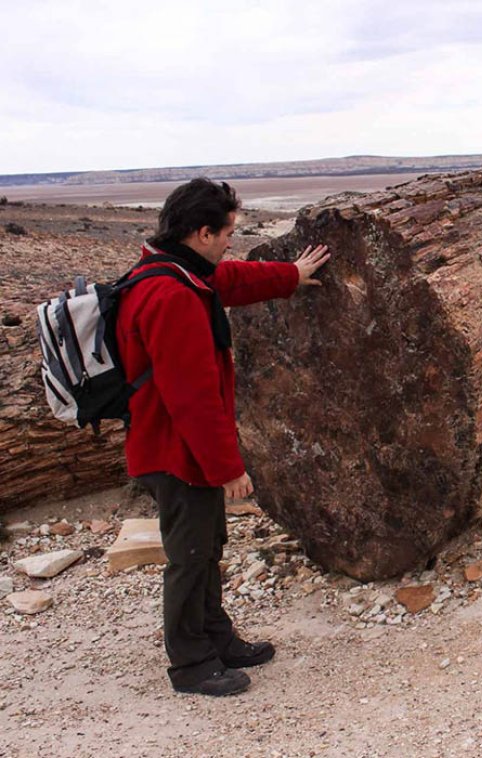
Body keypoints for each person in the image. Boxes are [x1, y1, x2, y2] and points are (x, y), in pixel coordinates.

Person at [116, 178, 330, 696]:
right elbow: (193, 400)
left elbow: (229, 280)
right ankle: (191, 665)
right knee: (189, 558)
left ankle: (218, 639)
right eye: (228, 231)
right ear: (201, 232)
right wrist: (227, 468)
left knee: (207, 546)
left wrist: (290, 275)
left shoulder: (177, 270)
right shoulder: (170, 296)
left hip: (178, 448)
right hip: (173, 451)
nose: (232, 240)